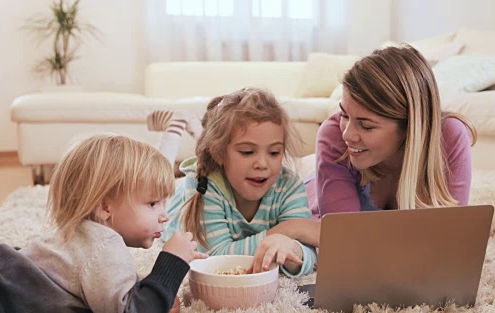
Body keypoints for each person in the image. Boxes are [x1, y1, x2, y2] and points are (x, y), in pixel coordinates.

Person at [0, 134, 208, 313]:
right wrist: (171, 263)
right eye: (153, 204)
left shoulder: (85, 237)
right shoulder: (103, 244)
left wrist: (155, 295)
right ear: (105, 207)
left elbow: (106, 288)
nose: (164, 216)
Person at [149, 88, 319, 276]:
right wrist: (290, 229)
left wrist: (290, 248)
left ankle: (197, 129)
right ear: (219, 153)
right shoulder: (202, 184)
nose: (262, 164)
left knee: (214, 145)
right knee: (155, 180)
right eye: (247, 152)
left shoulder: (288, 185)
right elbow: (215, 258)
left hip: (220, 162)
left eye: (274, 152)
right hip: (176, 198)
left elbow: (308, 259)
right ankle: (175, 125)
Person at [306, 44, 477, 222]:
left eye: (366, 126)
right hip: (313, 203)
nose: (347, 135)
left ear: (410, 126)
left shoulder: (449, 135)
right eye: (344, 115)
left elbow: (450, 235)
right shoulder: (333, 134)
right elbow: (342, 237)